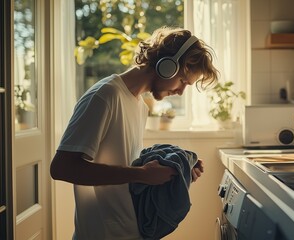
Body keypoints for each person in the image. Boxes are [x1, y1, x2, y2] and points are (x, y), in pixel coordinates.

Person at [50, 26, 219, 240]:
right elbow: (62, 168)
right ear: (167, 66)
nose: (180, 91)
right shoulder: (104, 96)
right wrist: (142, 174)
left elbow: (123, 167)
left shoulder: (139, 105)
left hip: (127, 229)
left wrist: (175, 171)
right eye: (183, 81)